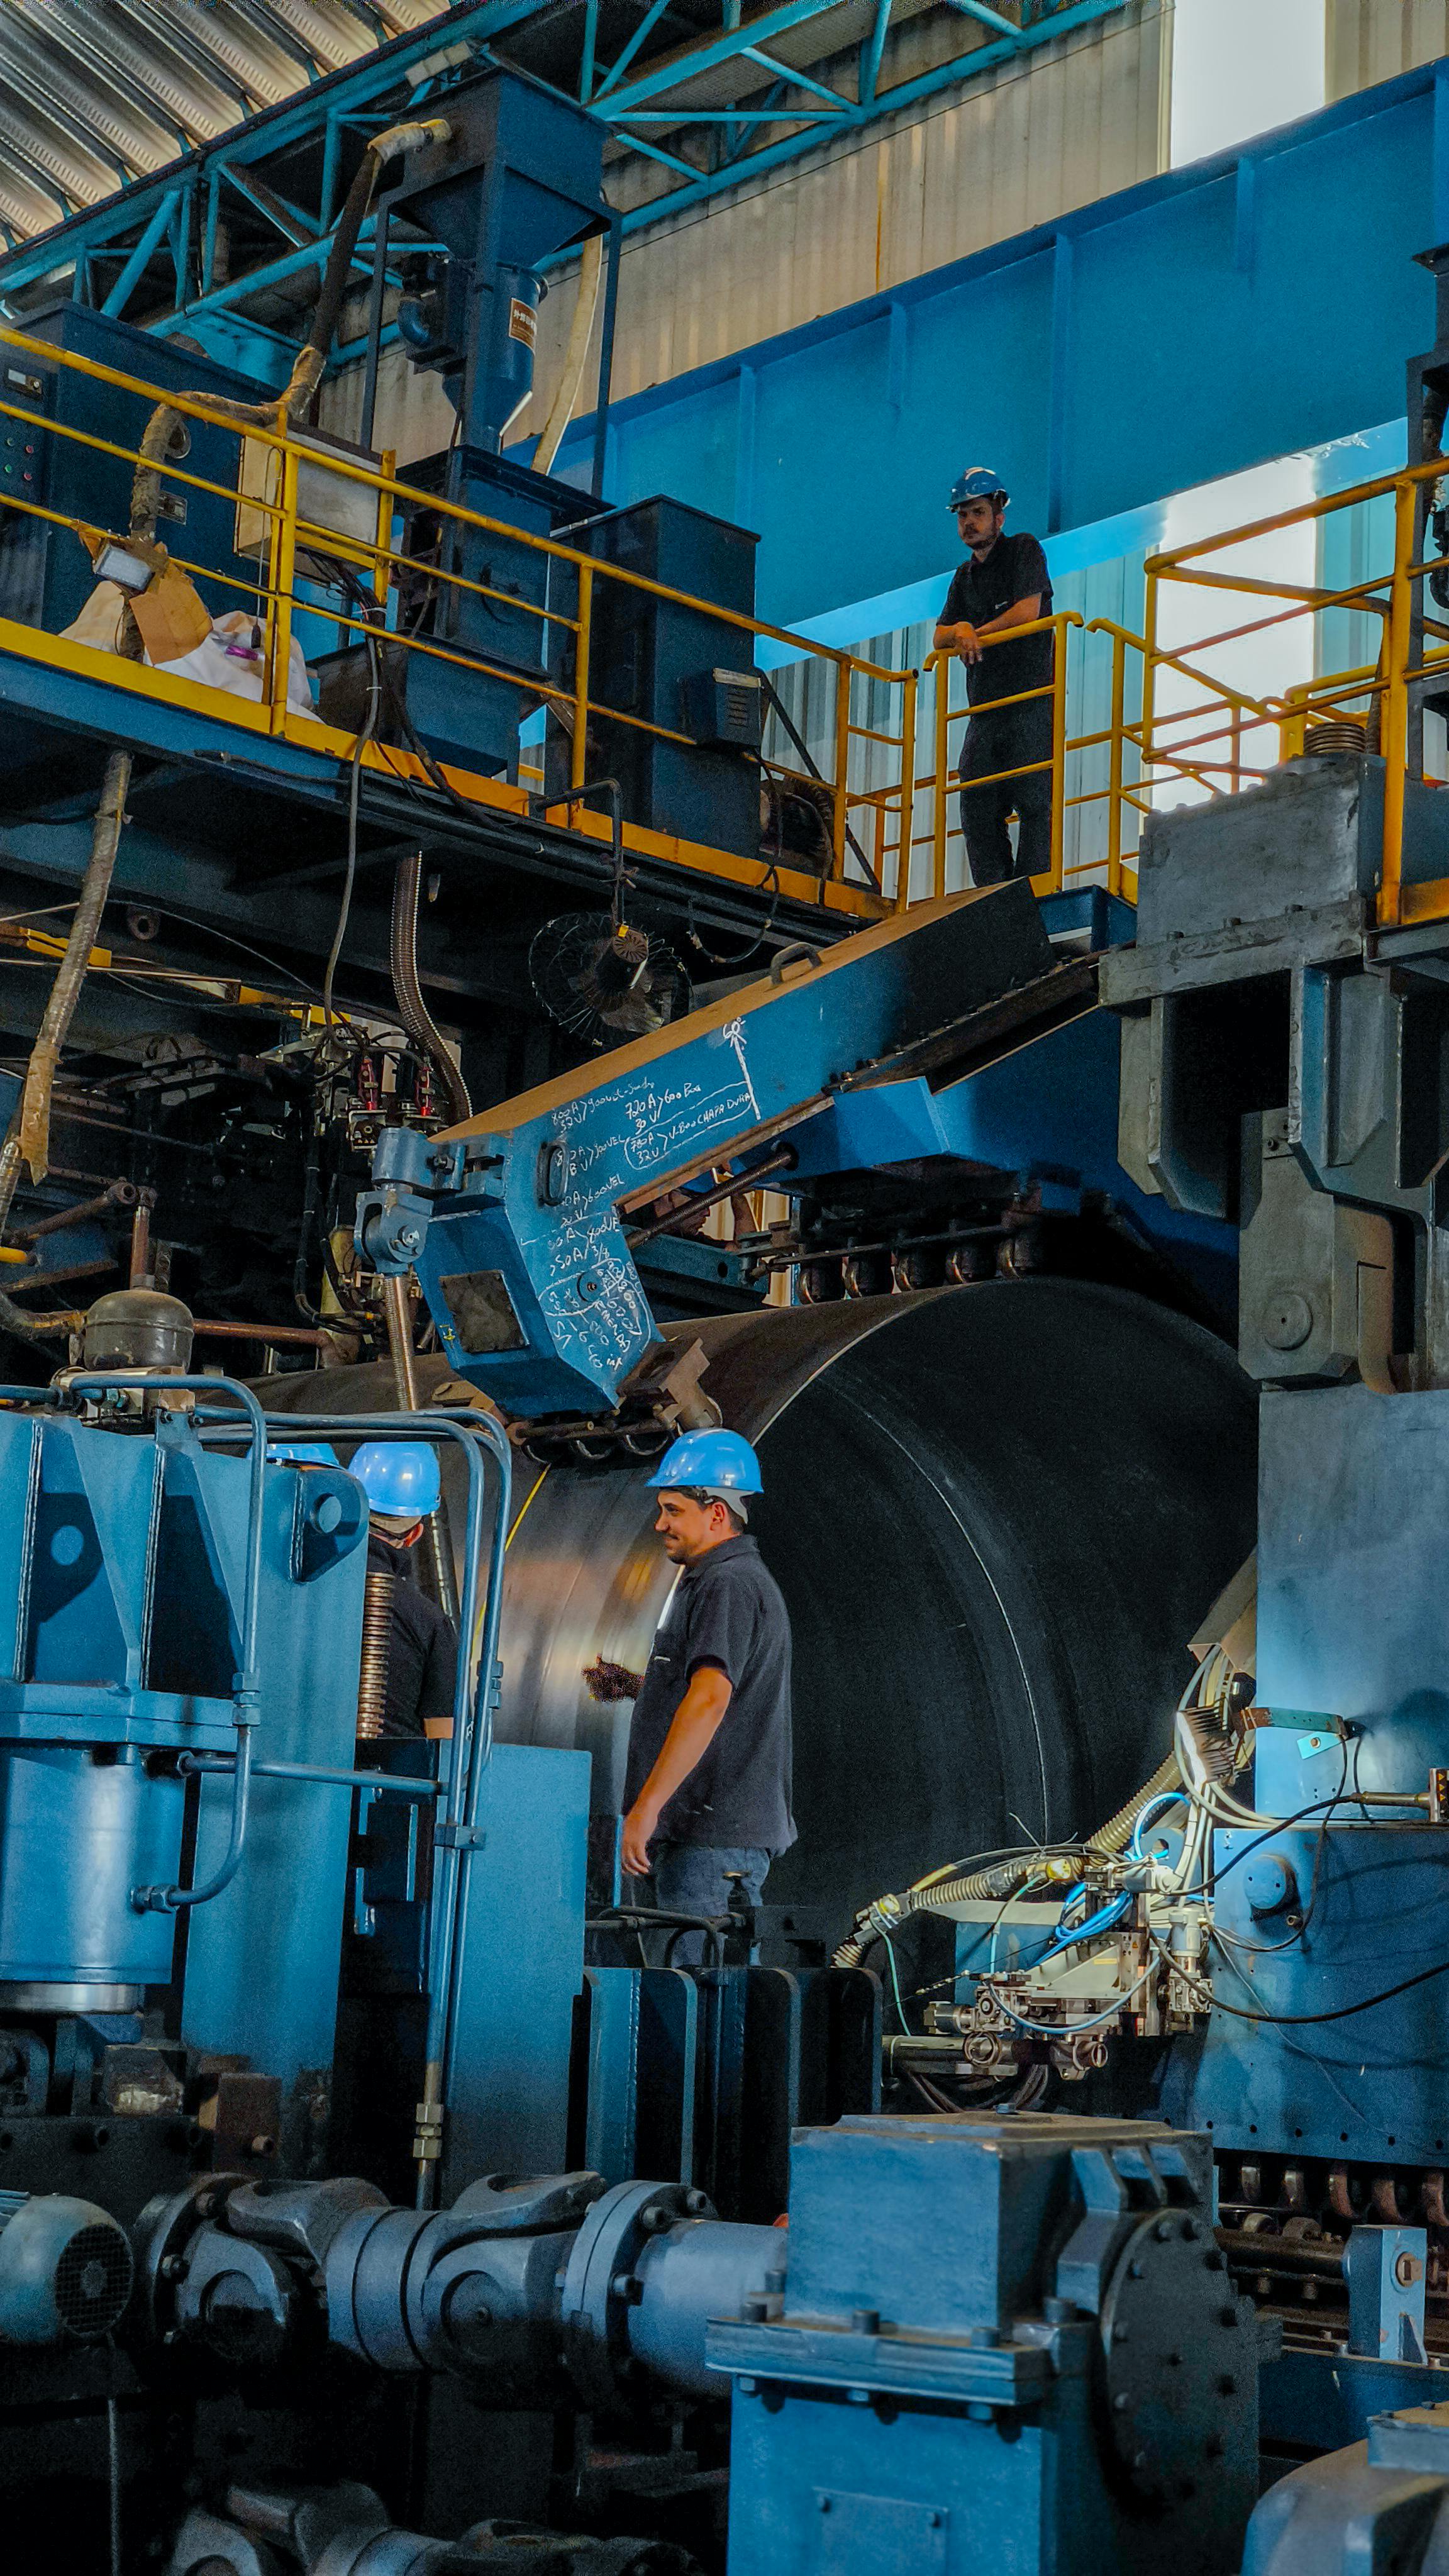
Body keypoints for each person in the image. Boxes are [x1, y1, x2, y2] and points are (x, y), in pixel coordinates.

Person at [583, 1428, 794, 1958]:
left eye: (673, 1510)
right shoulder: (713, 1582)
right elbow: (711, 1691)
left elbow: (710, 1700)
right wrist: (635, 1686)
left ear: (717, 1513)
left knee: (691, 2006)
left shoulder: (729, 1585)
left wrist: (647, 1808)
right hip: (709, 1838)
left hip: (709, 1840)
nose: (660, 1524)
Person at [933, 467, 1055, 888]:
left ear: (998, 517)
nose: (969, 522)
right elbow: (938, 636)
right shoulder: (964, 578)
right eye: (962, 515)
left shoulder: (1024, 550)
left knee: (1035, 800)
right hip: (985, 711)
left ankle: (1033, 895)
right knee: (977, 803)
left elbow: (1028, 611)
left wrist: (973, 634)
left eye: (978, 512)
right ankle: (994, 895)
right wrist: (959, 632)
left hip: (1030, 700)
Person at [347, 1440, 457, 1740]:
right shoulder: (430, 1622)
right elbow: (443, 1744)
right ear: (415, 1534)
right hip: (389, 1781)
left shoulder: (296, 1586)